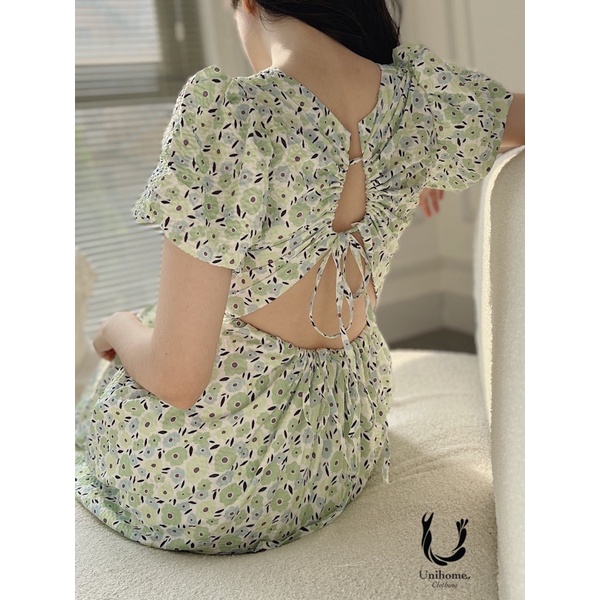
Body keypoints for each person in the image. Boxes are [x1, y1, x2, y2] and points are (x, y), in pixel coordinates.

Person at [75, 0, 525, 555]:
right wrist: (419, 161)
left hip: (217, 480)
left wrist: (117, 327)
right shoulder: (418, 101)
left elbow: (177, 378)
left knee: (134, 344)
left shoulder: (232, 114)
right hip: (342, 447)